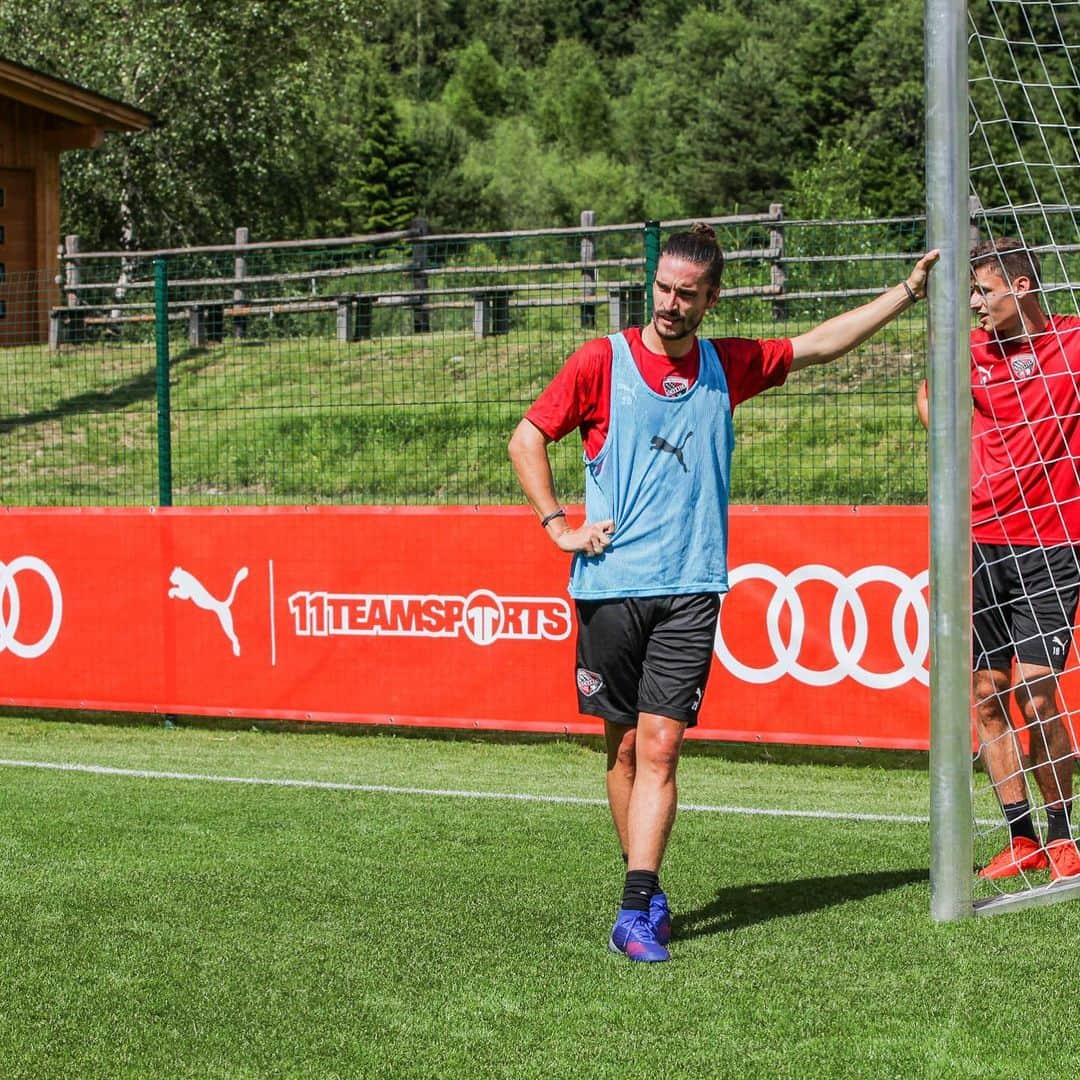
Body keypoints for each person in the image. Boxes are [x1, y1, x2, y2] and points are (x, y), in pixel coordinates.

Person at [509, 223, 939, 962]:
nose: (671, 304)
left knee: (663, 748)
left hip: (692, 589)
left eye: (687, 293)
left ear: (712, 297)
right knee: (621, 754)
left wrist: (905, 292)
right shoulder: (598, 361)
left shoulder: (725, 365)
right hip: (610, 588)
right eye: (664, 289)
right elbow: (526, 438)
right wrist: (558, 525)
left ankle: (635, 908)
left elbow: (819, 344)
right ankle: (643, 878)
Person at [917, 237, 1080, 883]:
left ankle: (1064, 833)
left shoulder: (1072, 343)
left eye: (984, 291)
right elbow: (930, 398)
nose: (975, 305)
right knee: (983, 692)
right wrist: (960, 454)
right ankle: (1022, 837)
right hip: (978, 542)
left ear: (1023, 286)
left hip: (1053, 543)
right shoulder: (971, 353)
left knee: (1039, 698)